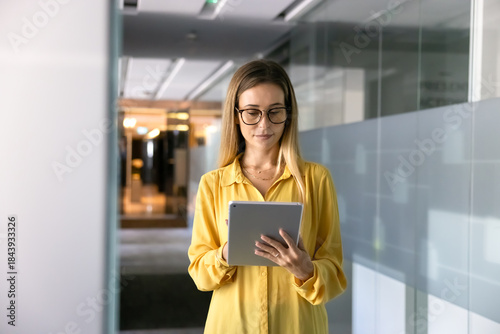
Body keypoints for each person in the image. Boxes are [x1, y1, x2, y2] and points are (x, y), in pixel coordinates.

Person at [188, 59, 346, 334]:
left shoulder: (316, 180)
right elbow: (200, 276)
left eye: (275, 112)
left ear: (289, 114)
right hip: (232, 325)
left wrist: (306, 270)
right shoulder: (213, 184)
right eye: (252, 112)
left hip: (298, 326)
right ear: (236, 115)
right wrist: (226, 253)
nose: (264, 124)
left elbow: (333, 274)